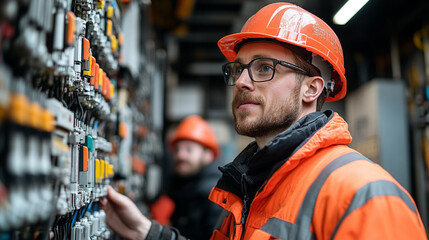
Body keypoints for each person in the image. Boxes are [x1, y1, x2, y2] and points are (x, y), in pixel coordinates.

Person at [100, 2, 427, 239]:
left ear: (311, 89)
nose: (241, 81)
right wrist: (150, 234)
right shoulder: (249, 189)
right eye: (239, 68)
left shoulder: (365, 196)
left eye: (264, 68)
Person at [163, 115, 222, 239]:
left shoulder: (214, 194)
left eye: (189, 150)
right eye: (177, 149)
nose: (180, 155)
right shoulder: (184, 188)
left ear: (208, 155)